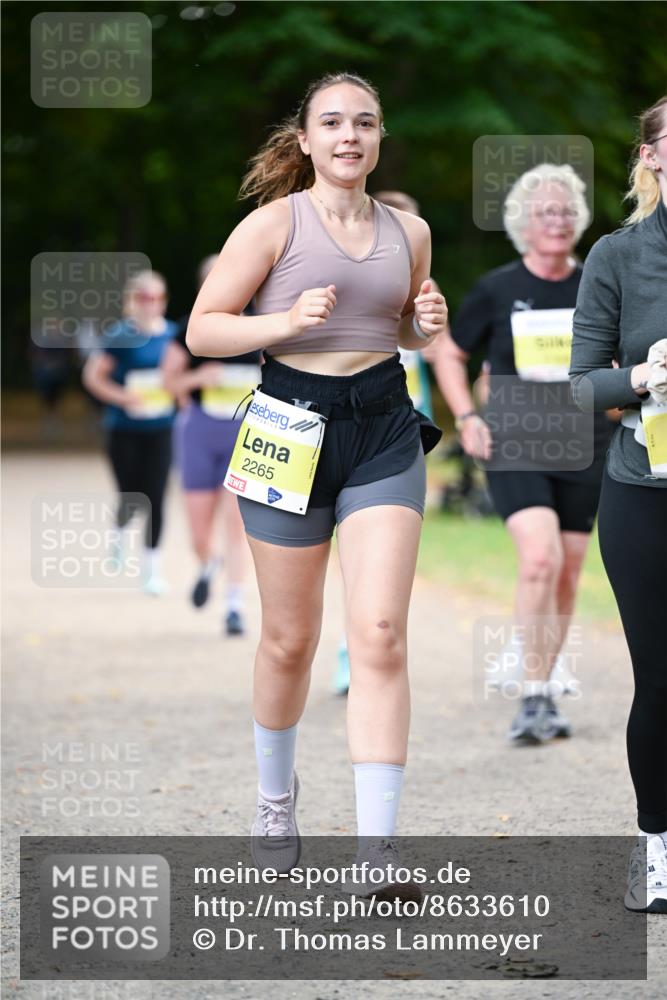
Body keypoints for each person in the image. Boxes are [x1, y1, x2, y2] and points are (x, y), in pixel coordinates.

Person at [186, 72, 445, 892]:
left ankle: (376, 853)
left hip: (380, 426)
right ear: (304, 140)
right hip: (287, 425)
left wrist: (421, 325)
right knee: (289, 640)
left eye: (364, 123)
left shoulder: (412, 231)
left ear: (378, 138)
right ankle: (274, 799)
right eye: (331, 122)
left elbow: (395, 320)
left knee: (378, 631)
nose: (348, 135)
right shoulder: (271, 226)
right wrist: (284, 324)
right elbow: (202, 329)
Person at [433, 163, 612, 744]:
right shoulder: (498, 288)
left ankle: (542, 675)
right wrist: (465, 417)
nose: (558, 221)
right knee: (539, 559)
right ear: (523, 225)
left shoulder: (598, 284)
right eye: (545, 212)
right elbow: (449, 355)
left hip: (587, 439)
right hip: (515, 436)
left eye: (566, 211)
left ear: (579, 220)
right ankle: (534, 698)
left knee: (567, 570)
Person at [570, 96, 667, 913]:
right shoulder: (616, 256)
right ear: (652, 157)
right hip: (646, 492)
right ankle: (660, 847)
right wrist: (642, 376)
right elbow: (578, 387)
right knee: (661, 679)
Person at [332, 189, 436, 697]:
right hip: (324, 419)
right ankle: (344, 646)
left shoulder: (418, 262)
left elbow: (421, 336)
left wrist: (423, 325)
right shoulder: (330, 260)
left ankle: (363, 644)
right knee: (292, 628)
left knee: (381, 594)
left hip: (395, 423)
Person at [162, 256, 261, 635]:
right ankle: (209, 564)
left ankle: (234, 605)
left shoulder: (260, 325)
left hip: (245, 435)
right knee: (200, 535)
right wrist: (199, 376)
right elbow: (168, 383)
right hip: (200, 433)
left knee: (236, 526)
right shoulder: (190, 328)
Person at [82, 269, 178, 595]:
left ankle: (152, 570)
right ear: (131, 301)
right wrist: (123, 397)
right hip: (124, 429)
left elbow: (181, 380)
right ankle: (119, 535)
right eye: (142, 297)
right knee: (131, 495)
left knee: (156, 496)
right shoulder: (120, 335)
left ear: (163, 301)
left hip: (161, 429)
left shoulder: (174, 336)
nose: (149, 303)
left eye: (154, 297)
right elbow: (93, 377)